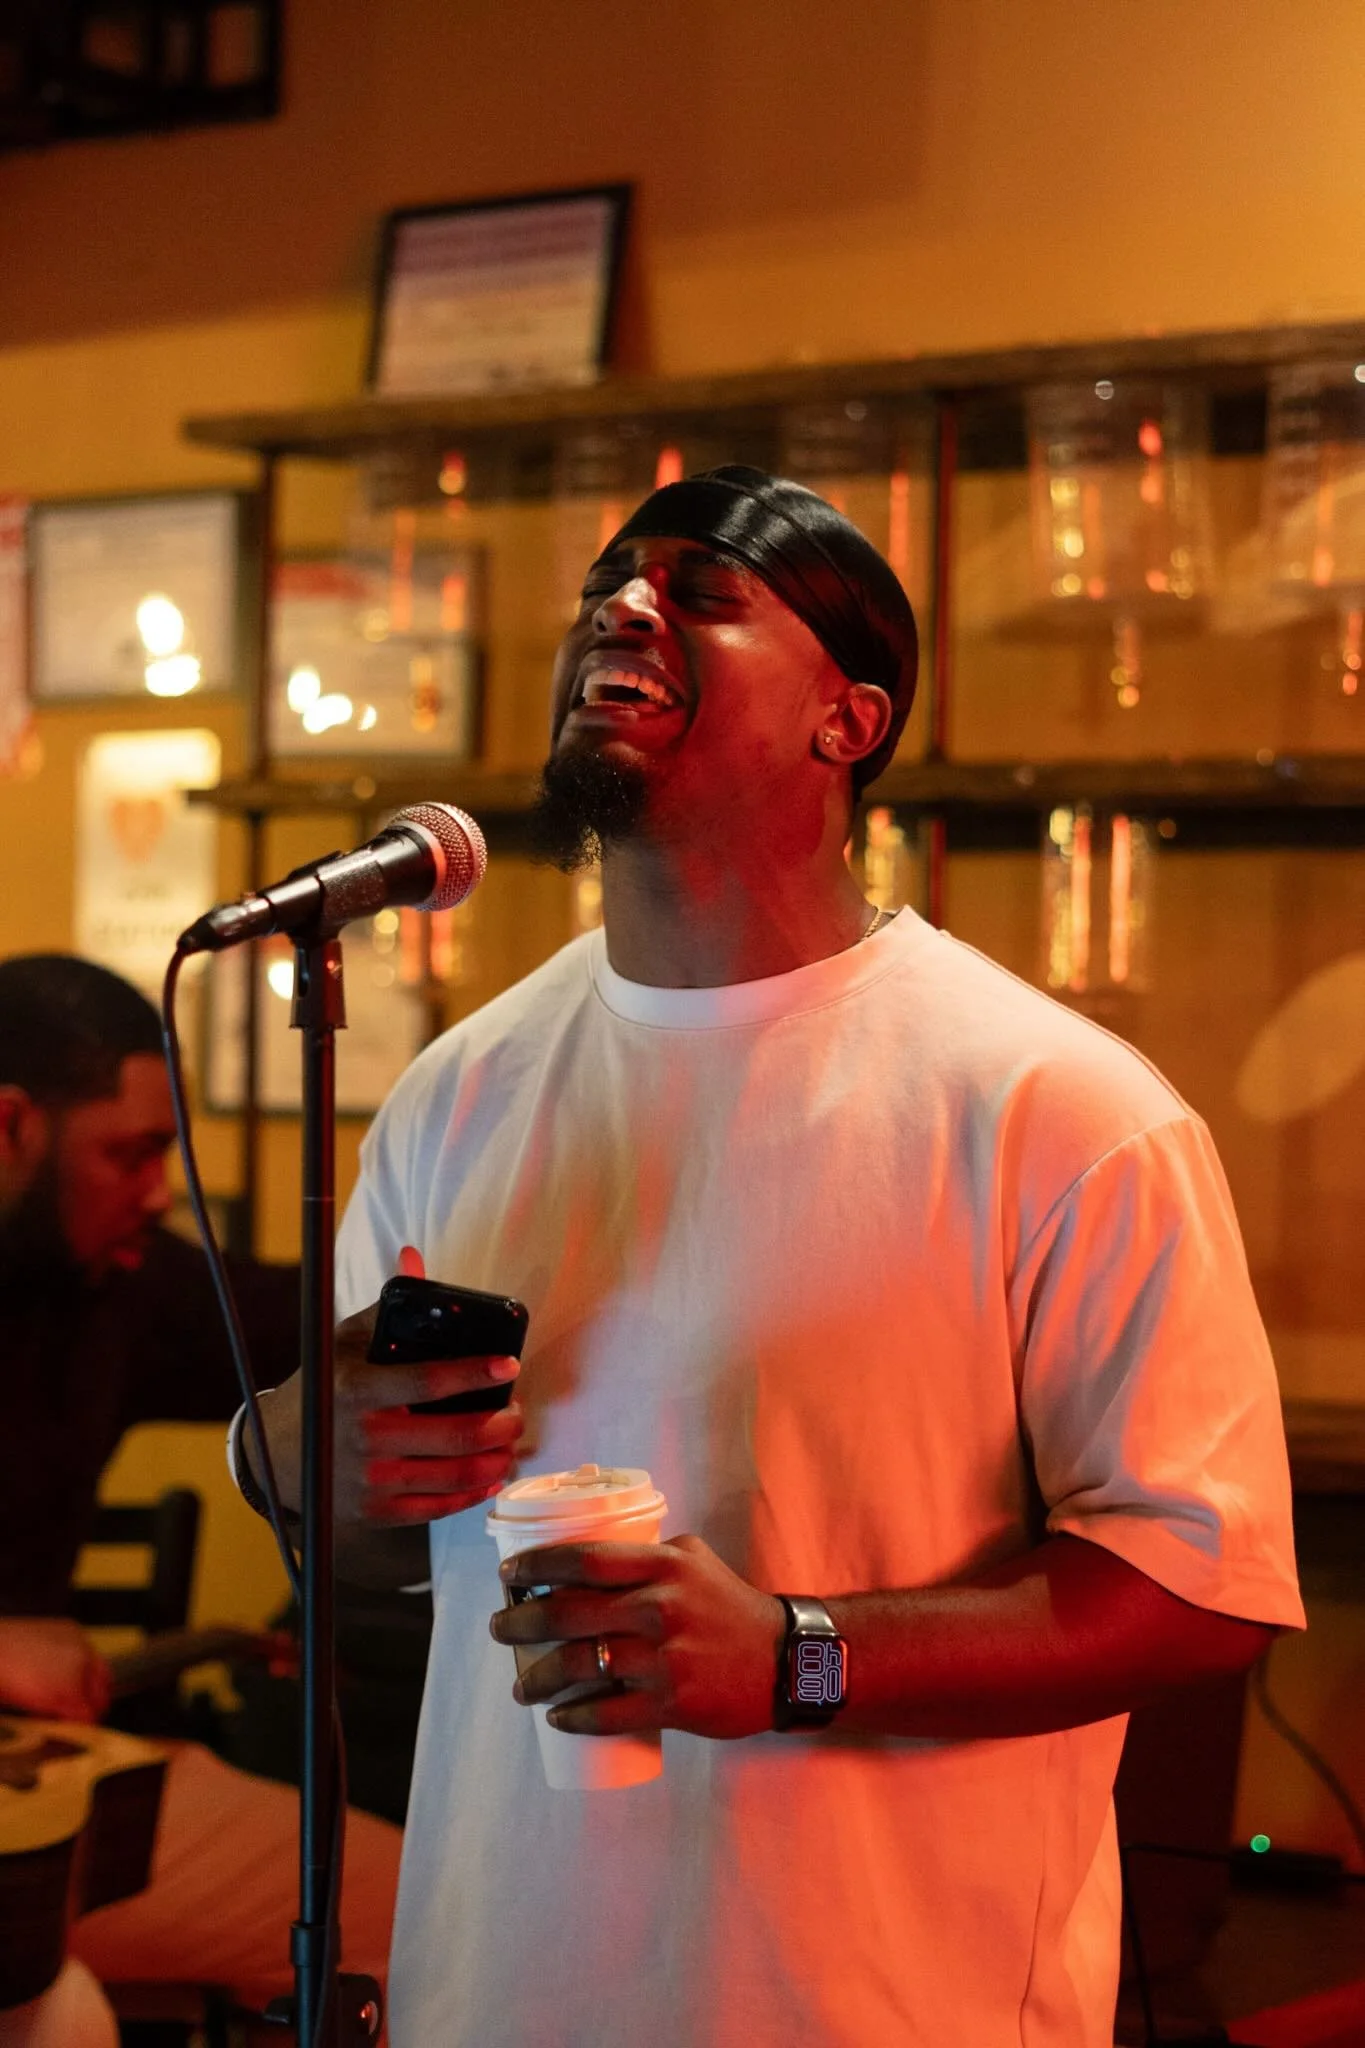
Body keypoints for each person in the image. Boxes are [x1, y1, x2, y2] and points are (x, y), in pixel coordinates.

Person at [243, 466, 1304, 2047]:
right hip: (499, 1988)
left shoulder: (1054, 1112)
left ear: (848, 722)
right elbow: (375, 1551)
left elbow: (1199, 1592)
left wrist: (800, 1658)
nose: (623, 607)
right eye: (610, 583)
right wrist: (305, 1456)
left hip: (880, 2003)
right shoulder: (457, 1091)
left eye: (704, 592)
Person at [0, 954, 402, 2032]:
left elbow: (309, 1320)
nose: (156, 1189)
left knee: (404, 1895)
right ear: (9, 1126)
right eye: (127, 1155)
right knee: (405, 1915)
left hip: (44, 1794)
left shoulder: (105, 1287)